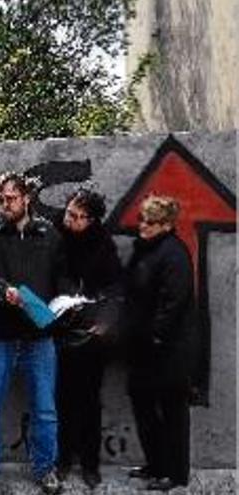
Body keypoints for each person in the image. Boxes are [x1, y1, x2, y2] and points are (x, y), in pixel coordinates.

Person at [0, 171, 72, 495]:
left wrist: (64, 303)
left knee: (44, 409)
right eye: (0, 198)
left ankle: (45, 469)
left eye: (10, 198)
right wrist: (3, 291)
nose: (4, 204)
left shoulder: (50, 235)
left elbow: (64, 277)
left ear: (27, 197)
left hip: (38, 339)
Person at [123, 195, 195, 492]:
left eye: (150, 222)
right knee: (144, 407)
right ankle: (155, 464)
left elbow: (173, 303)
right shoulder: (145, 249)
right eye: (141, 219)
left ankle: (174, 473)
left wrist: (154, 335)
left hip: (168, 350)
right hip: (142, 347)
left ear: (166, 225)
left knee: (172, 412)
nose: (142, 225)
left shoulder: (174, 254)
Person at [53, 188, 123, 488]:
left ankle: (90, 465)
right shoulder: (52, 235)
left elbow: (116, 287)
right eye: (71, 214)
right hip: (59, 330)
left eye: (81, 218)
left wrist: (106, 321)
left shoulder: (103, 245)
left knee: (90, 401)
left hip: (91, 336)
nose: (74, 221)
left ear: (92, 220)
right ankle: (63, 458)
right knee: (61, 400)